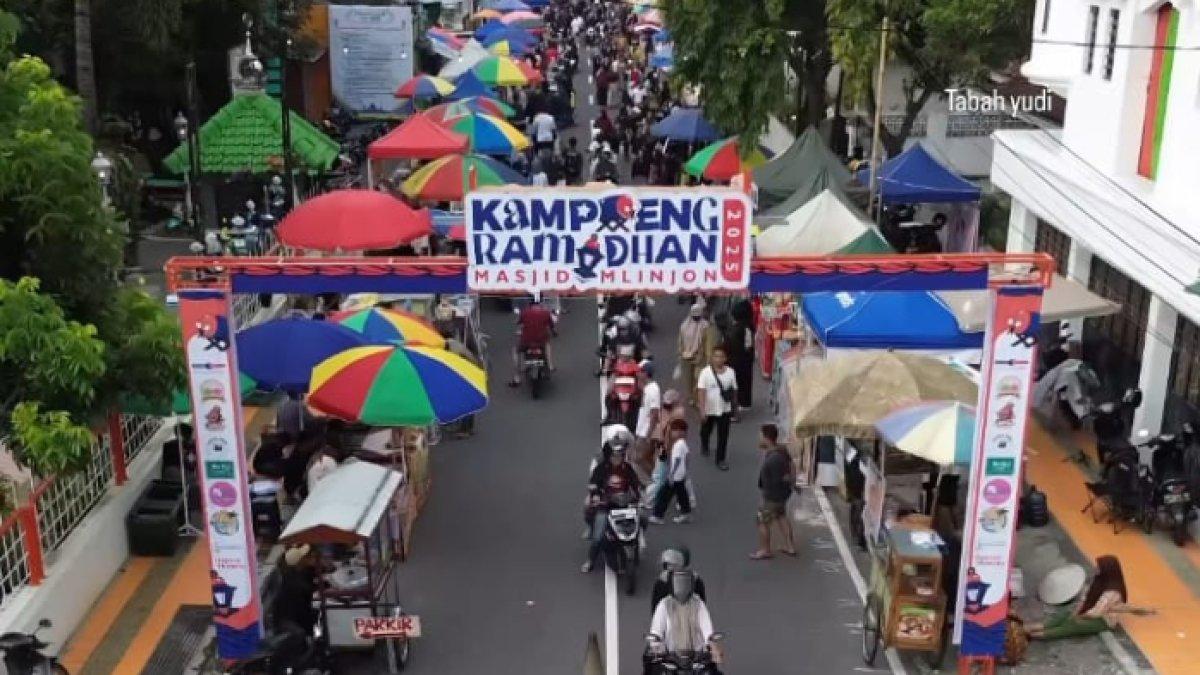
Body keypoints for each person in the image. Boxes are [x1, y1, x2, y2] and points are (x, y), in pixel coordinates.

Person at [1025, 556, 1154, 639]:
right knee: (1063, 615)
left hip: (1102, 620)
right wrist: (1077, 610)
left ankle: (1032, 634)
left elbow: (1096, 613)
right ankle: (1029, 629)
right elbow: (1085, 598)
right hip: (1090, 610)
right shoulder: (1099, 580)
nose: (1096, 568)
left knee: (1069, 627)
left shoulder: (1111, 593)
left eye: (1099, 567)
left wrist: (1078, 616)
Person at [582, 441, 642, 572]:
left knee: (642, 520)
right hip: (606, 506)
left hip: (624, 506)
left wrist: (639, 495)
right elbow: (593, 484)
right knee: (598, 536)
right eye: (615, 456)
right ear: (608, 456)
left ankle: (638, 545)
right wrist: (596, 495)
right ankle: (590, 560)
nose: (618, 458)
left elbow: (635, 483)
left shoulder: (627, 468)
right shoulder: (602, 469)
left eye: (620, 455)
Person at [647, 570, 720, 672]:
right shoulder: (664, 605)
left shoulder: (698, 604)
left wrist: (714, 648)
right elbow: (656, 630)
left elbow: (707, 629)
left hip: (697, 658)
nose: (682, 588)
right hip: (671, 658)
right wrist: (656, 649)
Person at [751, 424, 797, 559]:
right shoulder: (781, 450)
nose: (758, 439)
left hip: (772, 497)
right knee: (781, 516)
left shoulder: (773, 459)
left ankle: (765, 550)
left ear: (767, 438)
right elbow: (791, 466)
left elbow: (779, 479)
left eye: (760, 436)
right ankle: (790, 546)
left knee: (762, 521)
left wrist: (787, 481)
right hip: (782, 495)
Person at [697, 347, 737, 470]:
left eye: (721, 356)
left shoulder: (731, 372)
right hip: (709, 410)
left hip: (724, 409)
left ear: (725, 358)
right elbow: (701, 391)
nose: (718, 359)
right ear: (712, 358)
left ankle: (720, 459)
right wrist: (702, 410)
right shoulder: (705, 372)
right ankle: (705, 444)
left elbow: (734, 389)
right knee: (706, 431)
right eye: (716, 356)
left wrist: (735, 408)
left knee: (723, 436)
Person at [650, 418, 692, 524]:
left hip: (675, 475)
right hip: (680, 475)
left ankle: (658, 516)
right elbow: (687, 457)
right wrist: (686, 471)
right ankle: (686, 513)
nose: (672, 433)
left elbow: (677, 460)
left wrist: (671, 474)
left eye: (674, 430)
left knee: (664, 495)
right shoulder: (683, 443)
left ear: (680, 432)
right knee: (682, 494)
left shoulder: (678, 445)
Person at [510, 295, 556, 387]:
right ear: (541, 302)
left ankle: (517, 377)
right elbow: (551, 326)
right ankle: (550, 365)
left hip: (526, 341)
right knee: (547, 344)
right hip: (541, 341)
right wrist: (553, 332)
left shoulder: (524, 312)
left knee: (515, 351)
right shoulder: (546, 313)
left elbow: (518, 323)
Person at [273, 544, 319, 635]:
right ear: (300, 561)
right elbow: (307, 590)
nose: (309, 558)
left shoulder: (296, 574)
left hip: (295, 617)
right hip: (295, 620)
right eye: (306, 557)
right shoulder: (294, 581)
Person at [650, 547, 707, 614]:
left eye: (672, 565)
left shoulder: (695, 581)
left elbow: (701, 605)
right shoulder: (661, 583)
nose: (669, 567)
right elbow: (656, 609)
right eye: (667, 565)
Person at [676, 302, 711, 408]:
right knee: (688, 379)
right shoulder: (684, 326)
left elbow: (707, 342)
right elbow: (680, 341)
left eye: (698, 315)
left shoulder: (705, 326)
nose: (696, 317)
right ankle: (692, 397)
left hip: (700, 357)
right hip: (686, 357)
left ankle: (698, 398)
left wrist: (706, 356)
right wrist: (681, 353)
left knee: (698, 378)